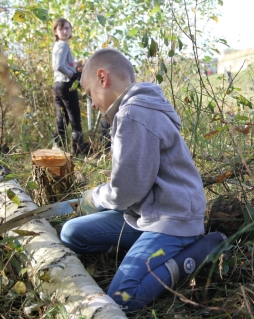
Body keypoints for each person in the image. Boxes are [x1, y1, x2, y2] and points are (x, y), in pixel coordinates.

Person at [59, 48, 215, 311]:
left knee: (123, 298)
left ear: (102, 78)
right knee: (71, 233)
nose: (93, 104)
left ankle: (198, 252)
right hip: (146, 214)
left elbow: (126, 191)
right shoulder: (132, 110)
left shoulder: (134, 114)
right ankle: (143, 253)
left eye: (89, 94)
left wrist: (95, 197)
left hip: (172, 219)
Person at [51, 18, 89, 155]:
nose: (65, 31)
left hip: (57, 85)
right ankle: (79, 152)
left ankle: (58, 149)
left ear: (71, 30)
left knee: (61, 119)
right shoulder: (63, 45)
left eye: (67, 28)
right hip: (66, 85)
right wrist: (73, 76)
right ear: (55, 31)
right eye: (61, 29)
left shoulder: (56, 45)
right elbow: (59, 66)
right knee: (74, 118)